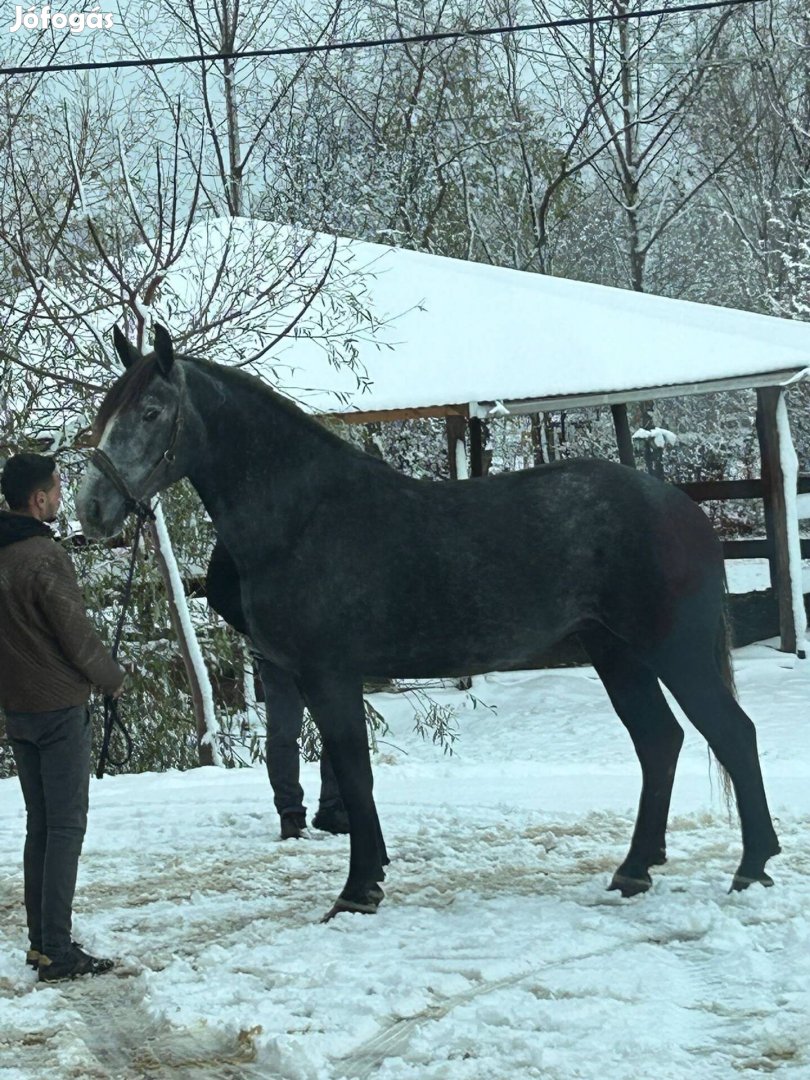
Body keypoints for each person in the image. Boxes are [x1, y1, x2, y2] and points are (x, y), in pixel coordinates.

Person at [0, 453, 126, 983]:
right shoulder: (42, 556)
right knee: (66, 827)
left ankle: (42, 942)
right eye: (55, 487)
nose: (60, 494)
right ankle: (56, 948)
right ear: (38, 500)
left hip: (19, 710)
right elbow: (76, 635)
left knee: (41, 827)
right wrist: (113, 677)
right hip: (57, 710)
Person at [205, 539, 349, 840]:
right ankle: (291, 814)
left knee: (338, 730)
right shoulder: (246, 521)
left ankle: (334, 810)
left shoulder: (319, 515)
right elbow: (218, 587)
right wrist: (254, 625)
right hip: (275, 652)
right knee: (285, 731)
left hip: (324, 649)